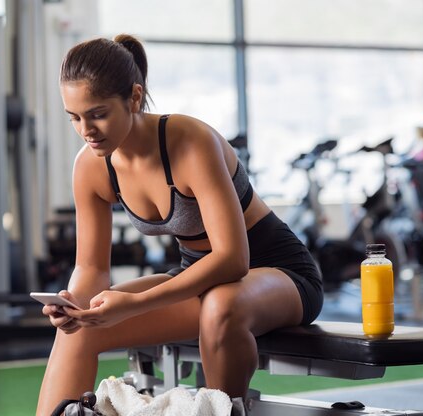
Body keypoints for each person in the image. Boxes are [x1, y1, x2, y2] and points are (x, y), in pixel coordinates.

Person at [37, 34, 323, 415]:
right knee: (79, 330)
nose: (86, 129)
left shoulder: (190, 141)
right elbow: (91, 268)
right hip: (199, 280)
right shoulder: (91, 166)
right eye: (74, 117)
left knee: (222, 305)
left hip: (279, 273)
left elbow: (233, 260)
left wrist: (134, 303)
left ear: (134, 98)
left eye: (98, 113)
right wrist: (74, 306)